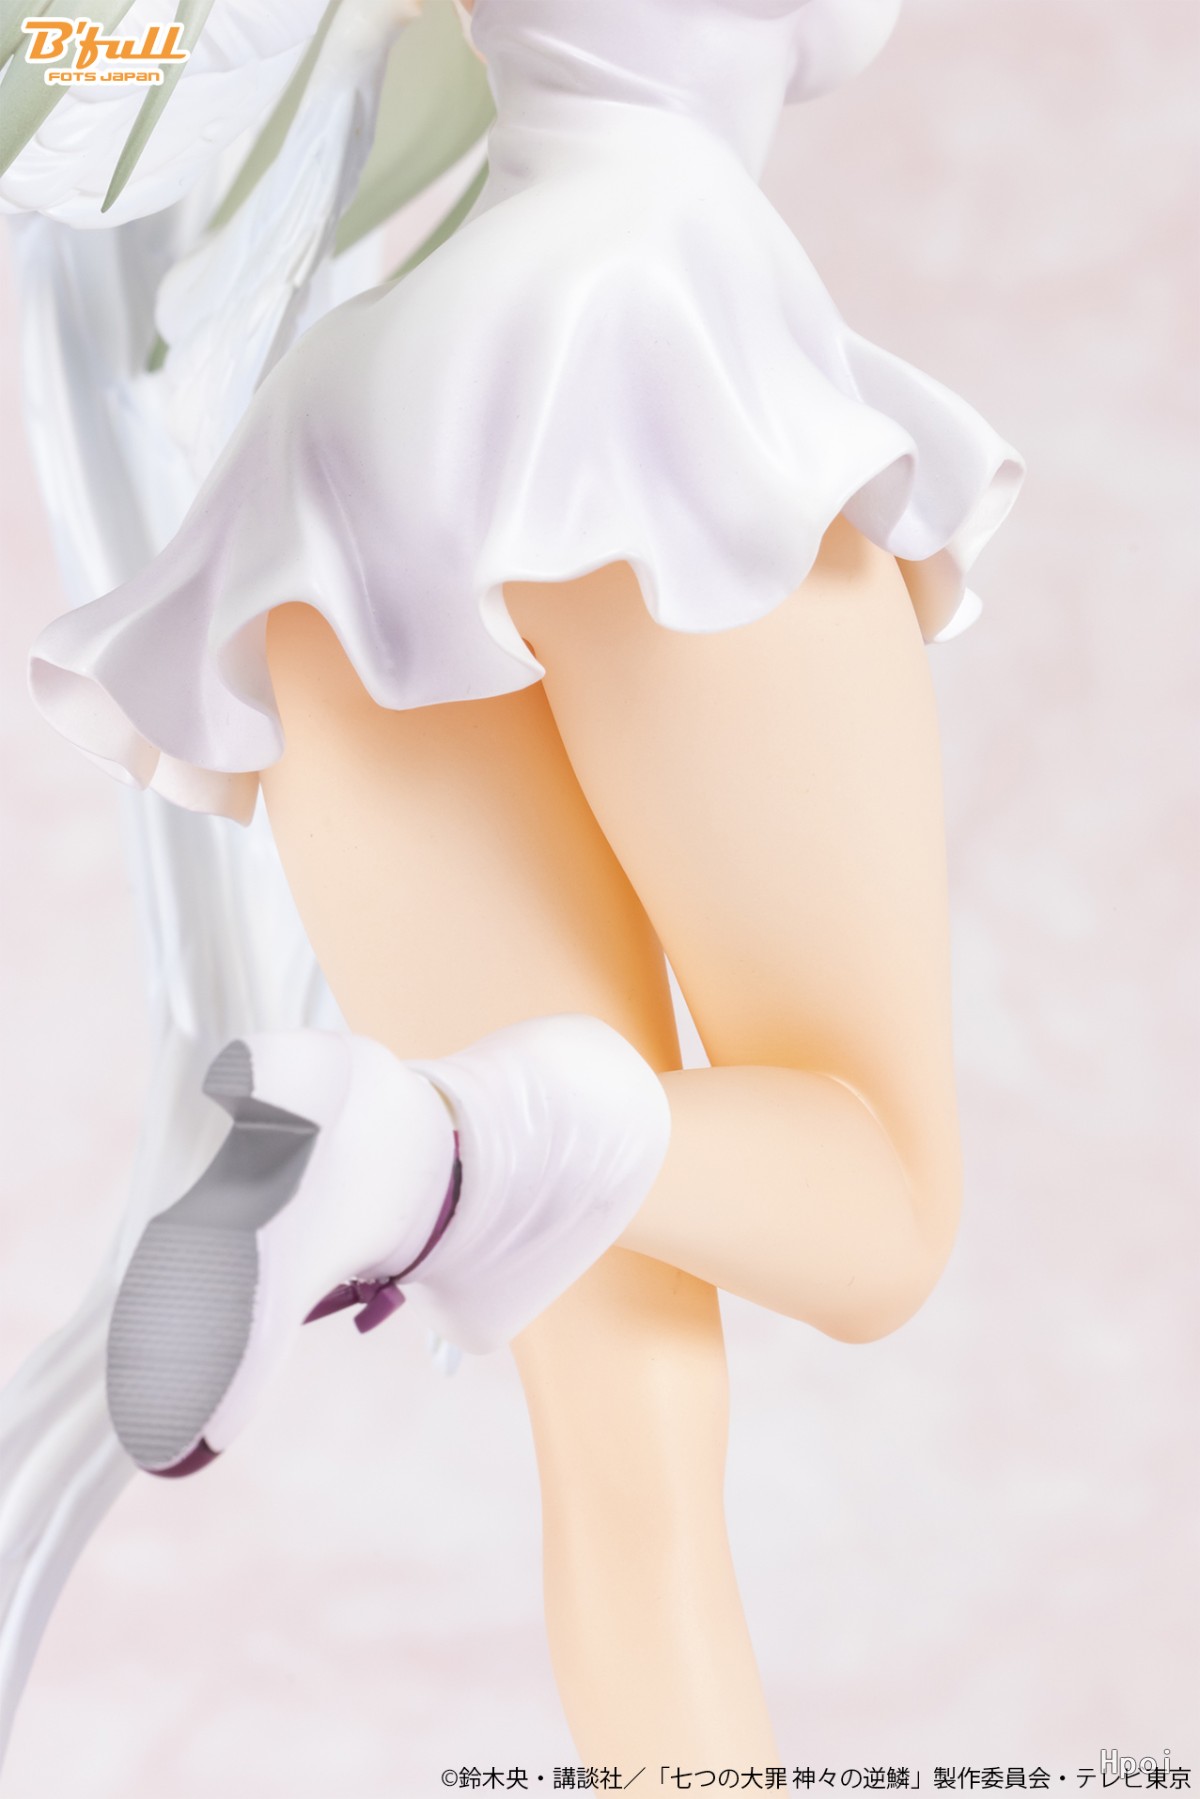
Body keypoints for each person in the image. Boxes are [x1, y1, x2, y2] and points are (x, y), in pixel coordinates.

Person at [23, 0, 1023, 1769]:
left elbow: (112, 61)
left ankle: (423, 1149)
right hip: (637, 326)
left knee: (624, 1433)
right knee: (880, 1206)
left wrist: (90, 39)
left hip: (351, 431)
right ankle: (433, 1142)